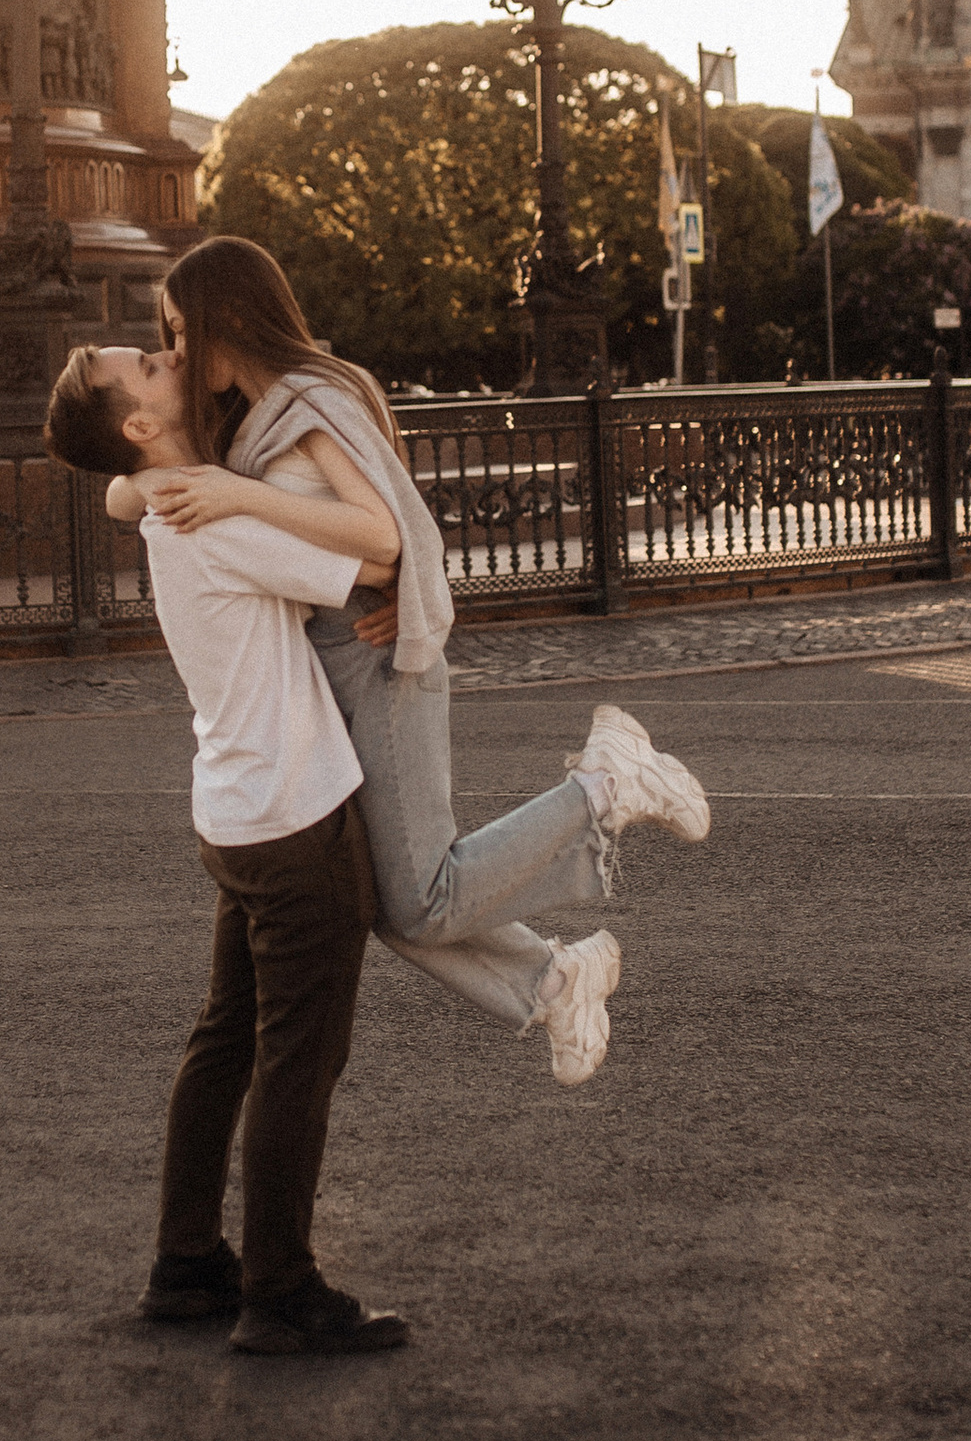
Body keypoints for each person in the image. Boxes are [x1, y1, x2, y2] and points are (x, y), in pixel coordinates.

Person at [130, 237, 712, 1081]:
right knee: (382, 901)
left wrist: (235, 493)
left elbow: (382, 534)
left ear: (231, 316)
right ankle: (556, 979)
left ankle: (605, 786)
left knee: (420, 896)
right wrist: (153, 471)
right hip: (339, 665)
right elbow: (123, 488)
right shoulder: (256, 415)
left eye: (183, 329)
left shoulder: (310, 395)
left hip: (381, 663)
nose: (177, 351)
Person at [44, 340, 408, 1359]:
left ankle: (187, 1262)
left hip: (235, 808)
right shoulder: (214, 517)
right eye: (150, 370)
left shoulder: (165, 502)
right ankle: (280, 1289)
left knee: (226, 1042)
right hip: (296, 815)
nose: (170, 360)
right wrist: (263, 501)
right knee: (299, 1058)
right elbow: (379, 557)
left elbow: (140, 503)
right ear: (139, 426)